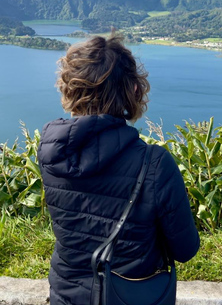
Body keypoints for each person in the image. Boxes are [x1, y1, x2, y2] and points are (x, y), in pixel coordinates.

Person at [38, 33, 200, 305]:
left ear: (70, 89)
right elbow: (185, 249)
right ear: (133, 90)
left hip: (67, 295)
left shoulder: (52, 154)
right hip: (132, 296)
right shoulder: (155, 163)